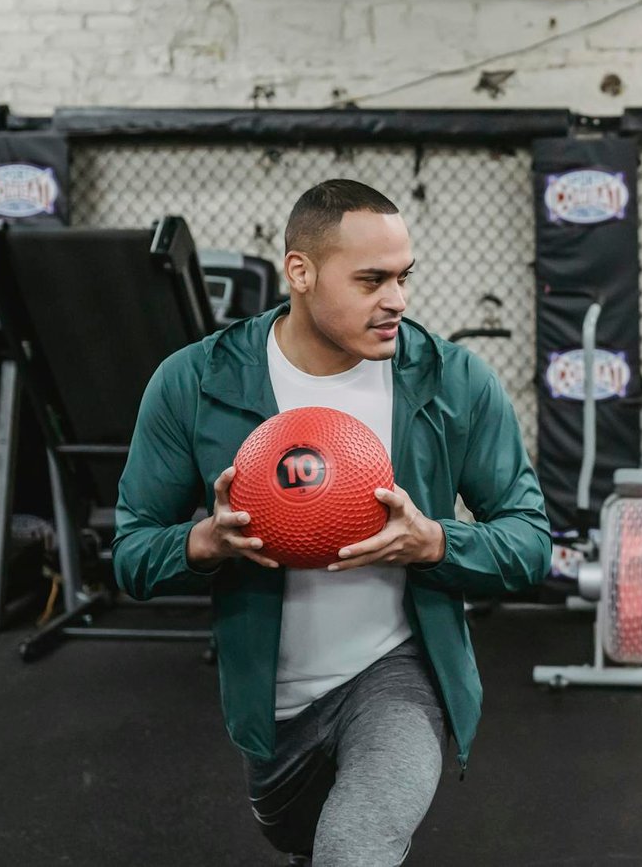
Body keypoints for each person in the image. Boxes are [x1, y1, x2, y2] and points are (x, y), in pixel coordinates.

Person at [113, 178, 552, 866]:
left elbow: (530, 541)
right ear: (301, 271)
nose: (397, 301)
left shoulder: (452, 380)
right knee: (305, 840)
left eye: (405, 277)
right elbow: (131, 552)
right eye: (372, 280)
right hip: (275, 710)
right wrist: (203, 541)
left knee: (352, 849)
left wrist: (433, 540)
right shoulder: (195, 381)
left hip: (397, 673)